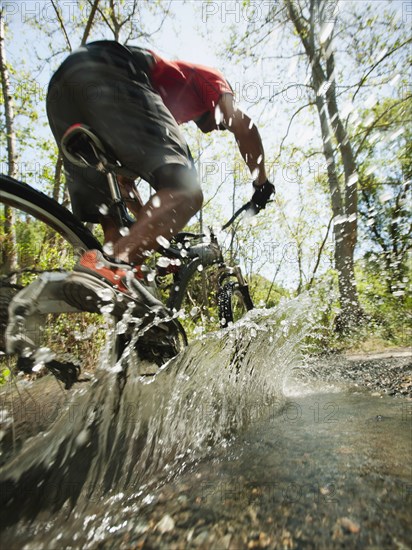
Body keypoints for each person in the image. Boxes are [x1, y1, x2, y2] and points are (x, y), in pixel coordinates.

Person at [46, 40, 274, 303]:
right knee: (186, 191)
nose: (220, 127)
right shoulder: (209, 77)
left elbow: (124, 183)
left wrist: (153, 229)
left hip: (62, 93)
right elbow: (244, 126)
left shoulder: (145, 114)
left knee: (113, 221)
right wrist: (261, 183)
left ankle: (119, 292)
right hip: (109, 69)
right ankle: (110, 267)